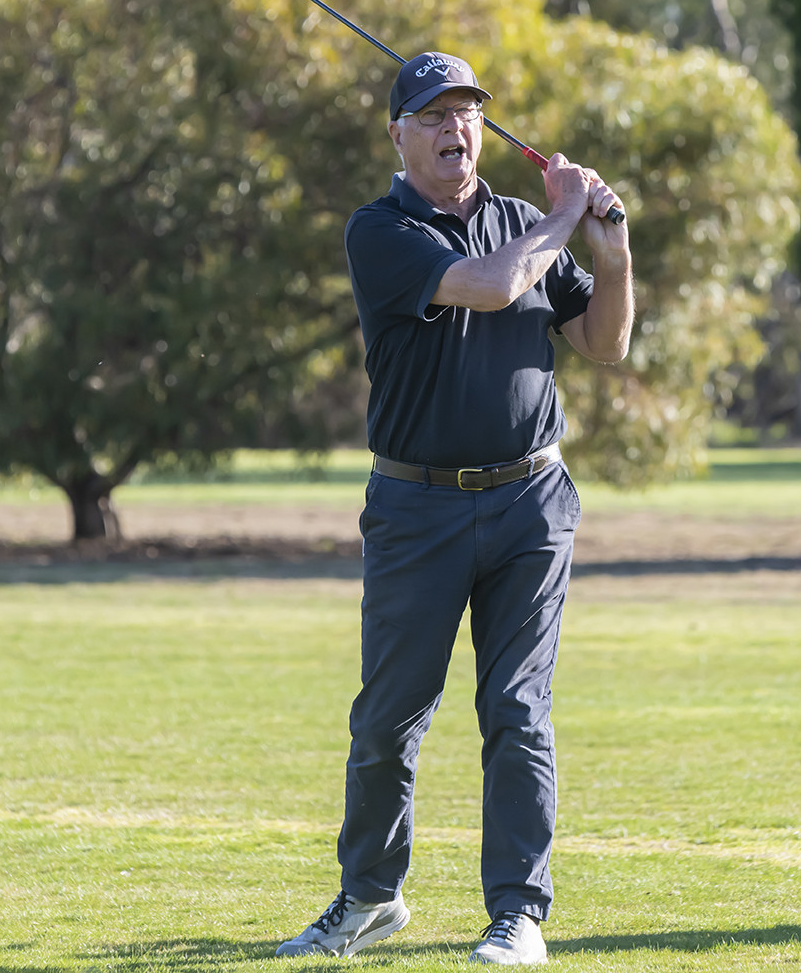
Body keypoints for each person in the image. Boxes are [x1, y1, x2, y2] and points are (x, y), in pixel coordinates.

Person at [276, 52, 633, 965]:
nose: (453, 129)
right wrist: (563, 213)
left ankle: (519, 914)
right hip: (415, 505)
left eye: (467, 112)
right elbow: (489, 285)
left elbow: (605, 342)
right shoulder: (381, 230)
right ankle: (369, 897)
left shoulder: (524, 221)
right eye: (432, 115)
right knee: (390, 714)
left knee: (517, 708)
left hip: (531, 501)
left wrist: (611, 245)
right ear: (397, 134)